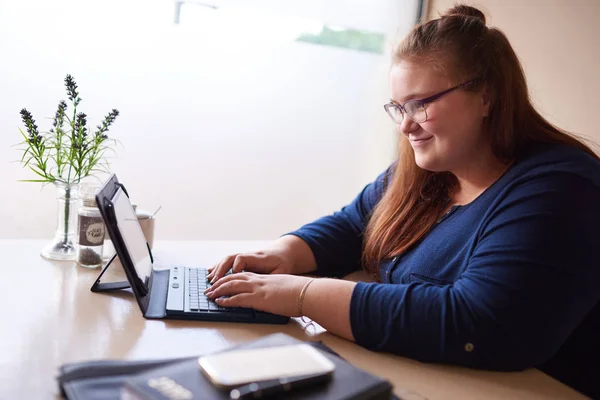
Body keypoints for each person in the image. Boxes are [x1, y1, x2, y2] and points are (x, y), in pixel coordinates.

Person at [205, 5, 600, 398]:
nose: (407, 125)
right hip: (422, 378)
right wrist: (284, 253)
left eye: (421, 104)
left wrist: (299, 294)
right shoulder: (429, 170)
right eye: (399, 107)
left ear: (487, 96)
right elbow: (353, 224)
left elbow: (481, 322)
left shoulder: (561, 187)